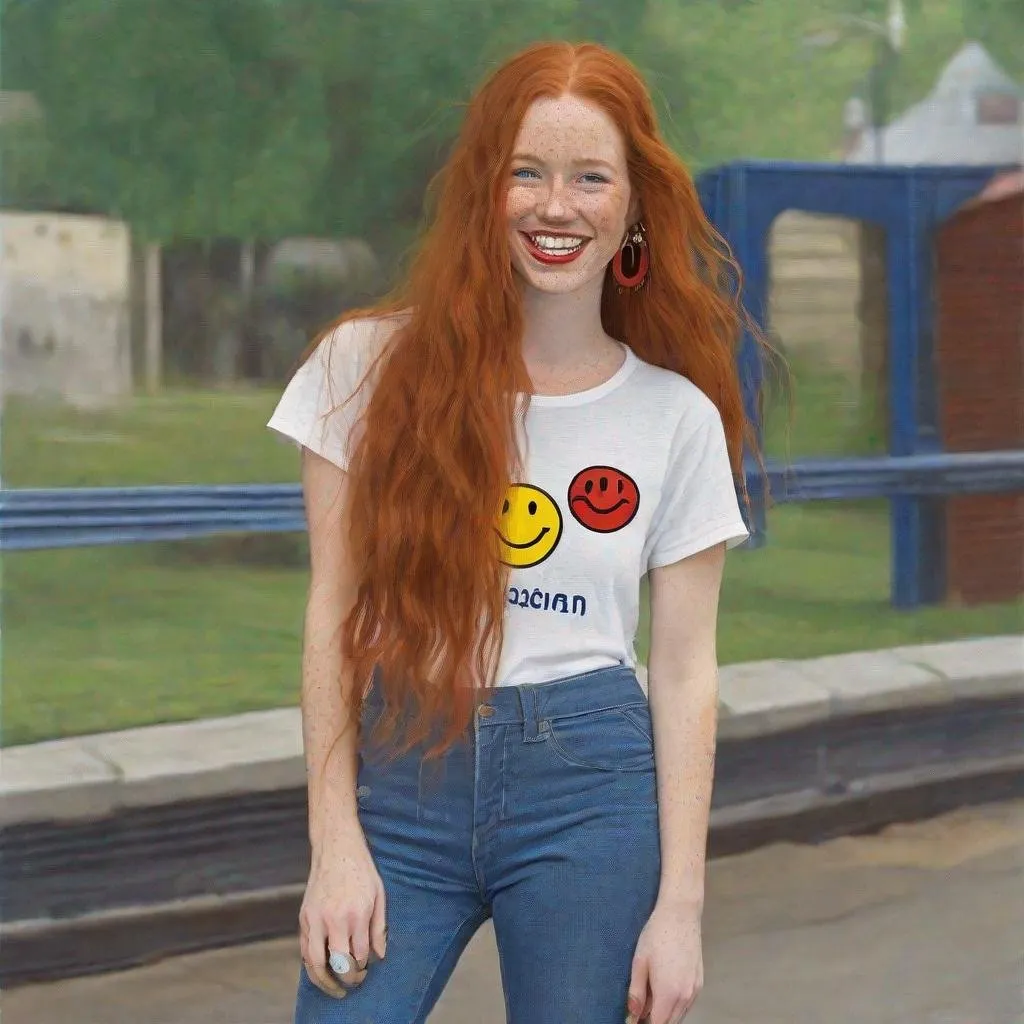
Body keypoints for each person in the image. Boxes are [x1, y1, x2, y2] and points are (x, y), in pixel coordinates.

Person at [267, 38, 759, 1024]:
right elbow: (334, 610)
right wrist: (335, 843)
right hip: (405, 778)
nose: (553, 205)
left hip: (589, 787)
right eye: (524, 172)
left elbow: (684, 668)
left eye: (589, 177)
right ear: (484, 189)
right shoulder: (360, 369)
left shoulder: (674, 416)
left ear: (633, 207)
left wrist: (680, 906)